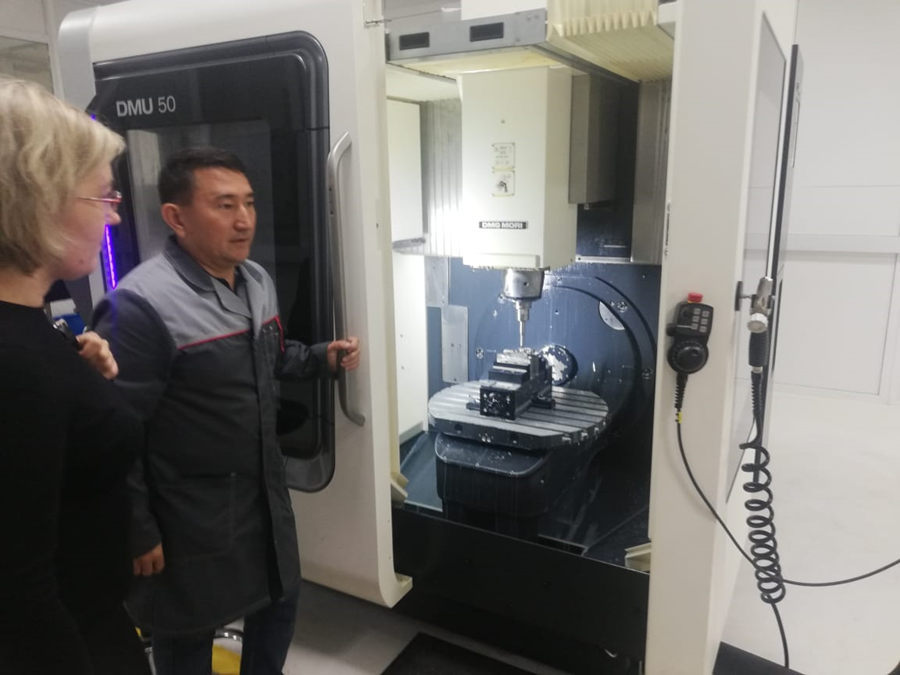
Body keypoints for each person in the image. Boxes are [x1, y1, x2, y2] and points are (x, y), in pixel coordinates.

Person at [93, 147, 360, 675]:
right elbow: (114, 433)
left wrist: (319, 358)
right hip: (187, 514)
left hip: (263, 496)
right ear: (177, 217)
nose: (244, 220)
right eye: (224, 205)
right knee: (187, 635)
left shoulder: (255, 280)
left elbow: (269, 357)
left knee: (278, 606)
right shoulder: (141, 306)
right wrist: (138, 530)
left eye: (249, 203)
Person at [0, 77, 151, 674]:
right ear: (42, 197)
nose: (113, 218)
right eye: (104, 197)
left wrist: (76, 379)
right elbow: (17, 590)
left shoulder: (32, 333)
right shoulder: (16, 363)